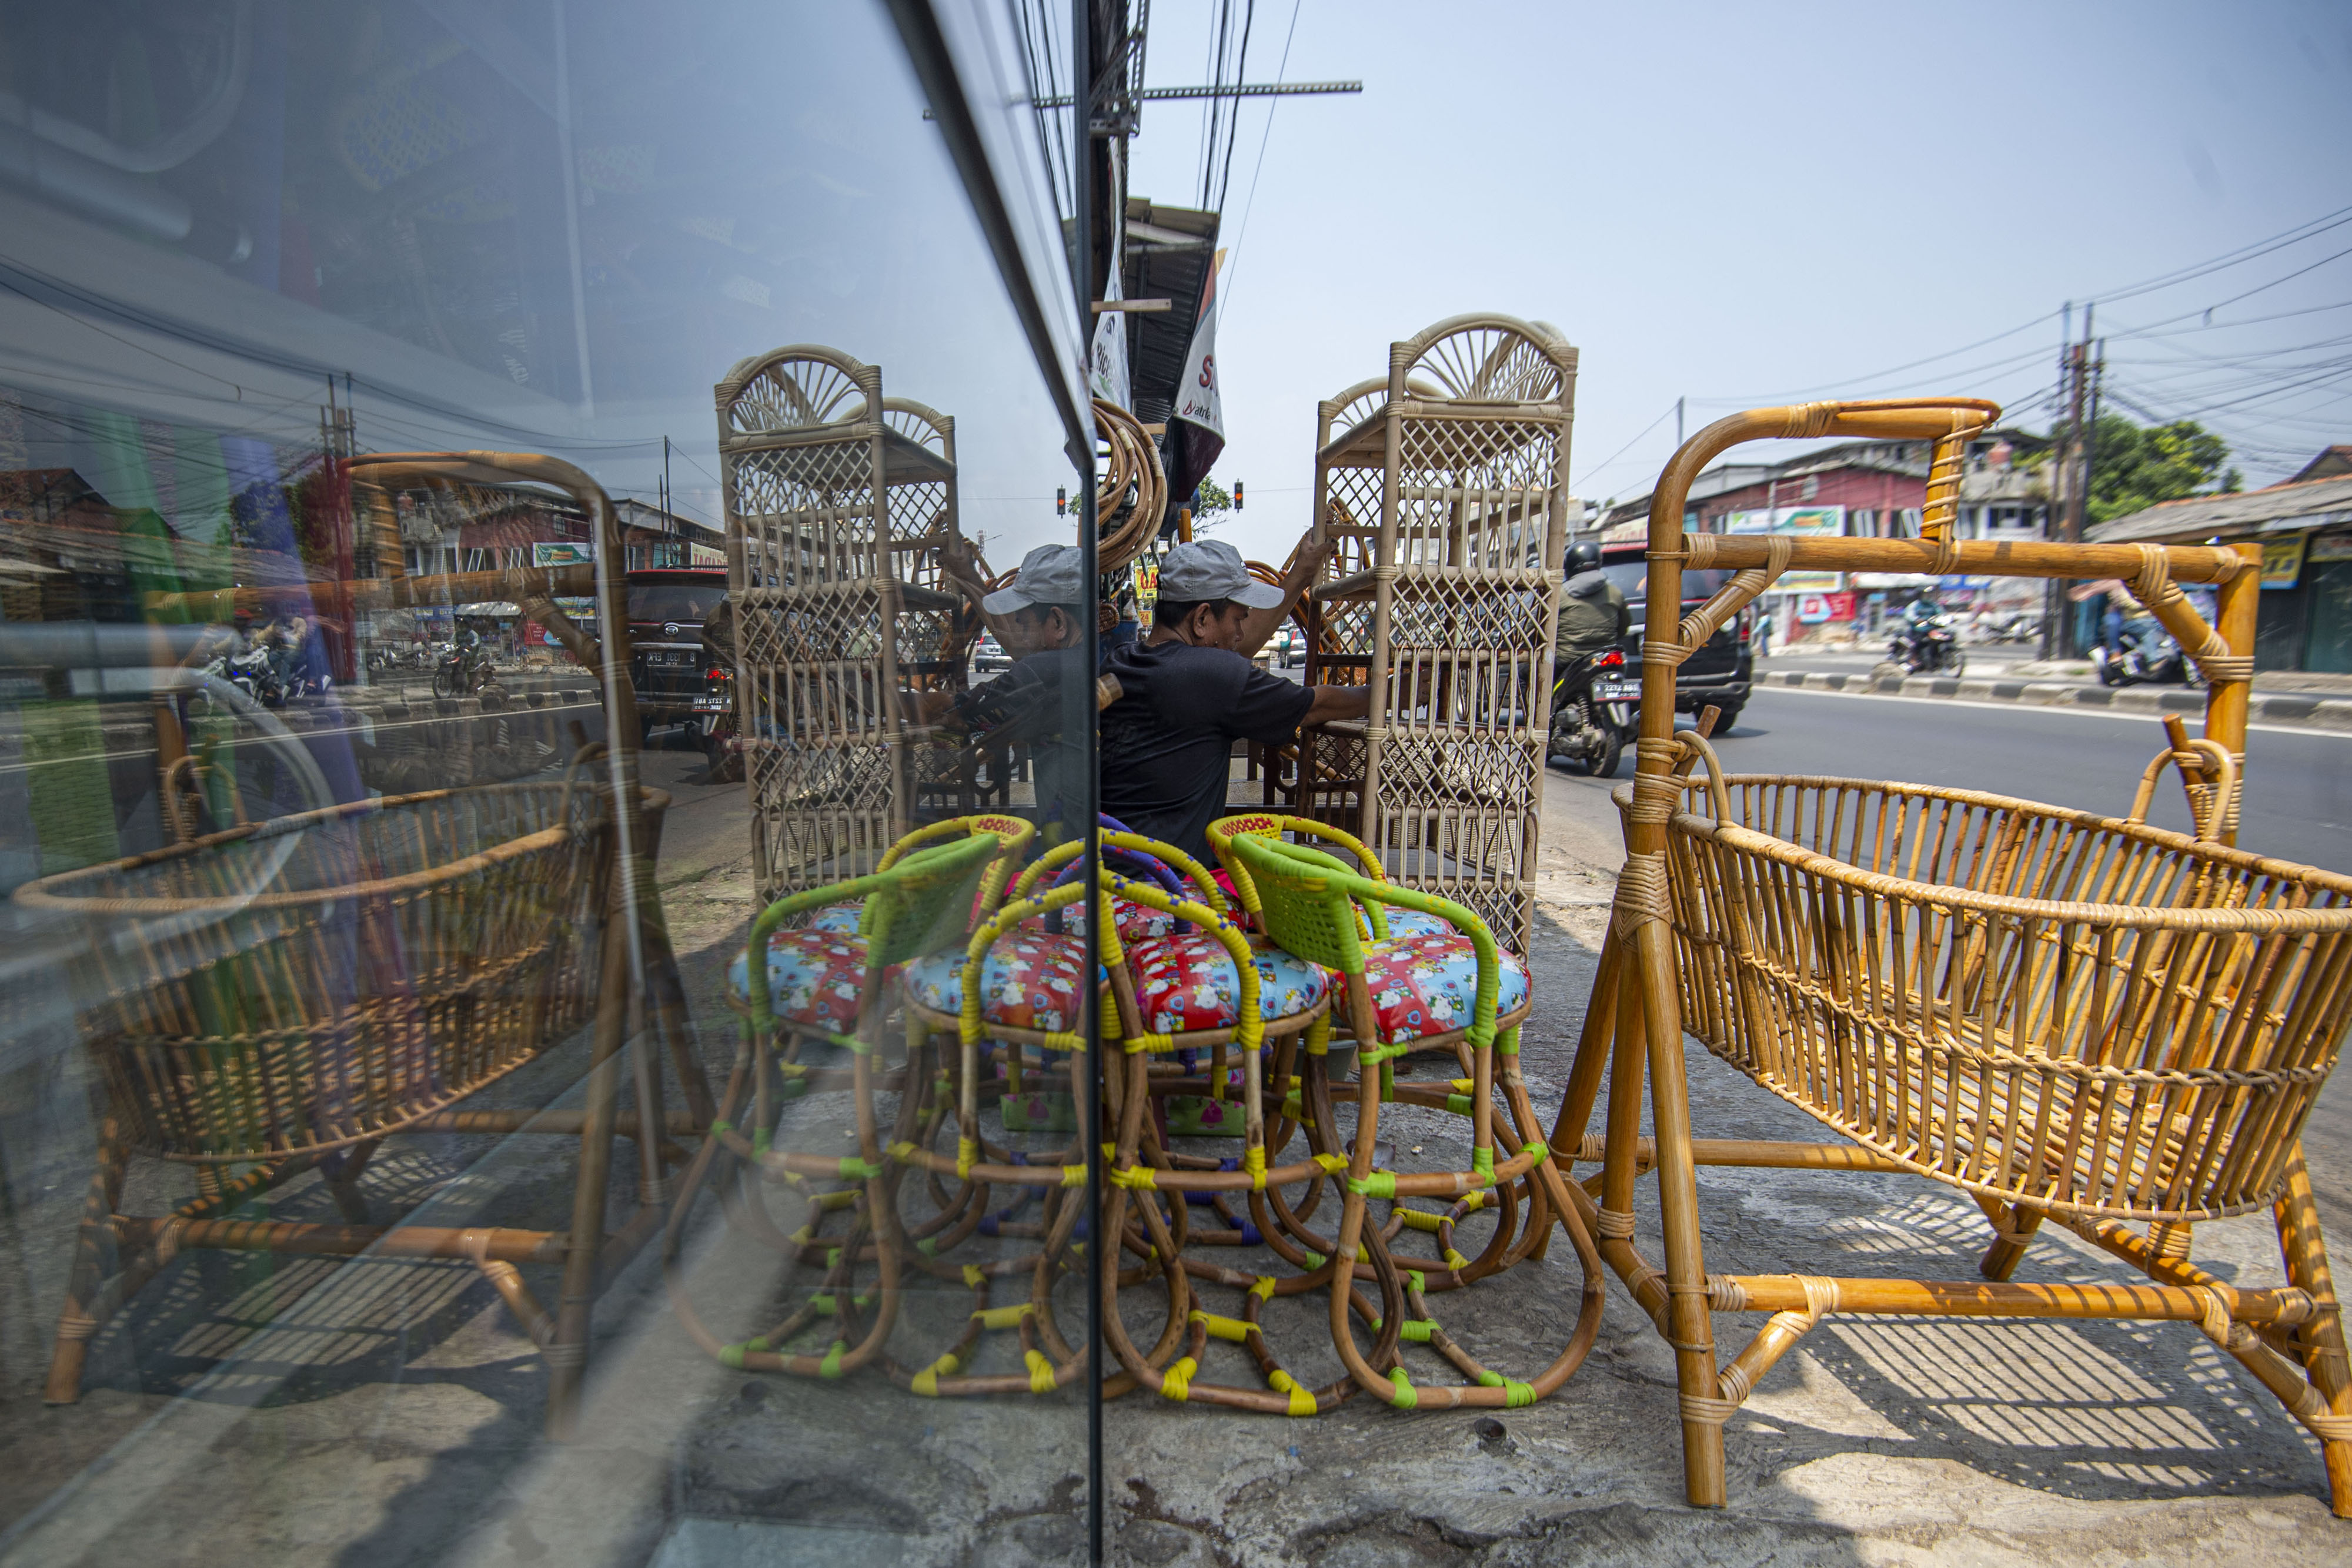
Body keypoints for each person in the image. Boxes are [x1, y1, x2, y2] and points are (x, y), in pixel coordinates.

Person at [1100, 539, 1371, 863]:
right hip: (1171, 886)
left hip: (1106, 870)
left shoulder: (1122, 660)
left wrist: (1301, 572)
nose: (1241, 634)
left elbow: (1230, 656)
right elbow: (1315, 706)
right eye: (1238, 620)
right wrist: (1391, 692)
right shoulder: (1210, 675)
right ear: (1201, 619)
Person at [1554, 541, 1629, 670]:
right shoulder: (1614, 592)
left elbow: (1536, 628)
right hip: (1604, 657)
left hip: (1567, 659)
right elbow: (1623, 628)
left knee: (1522, 673)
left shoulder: (1558, 595)